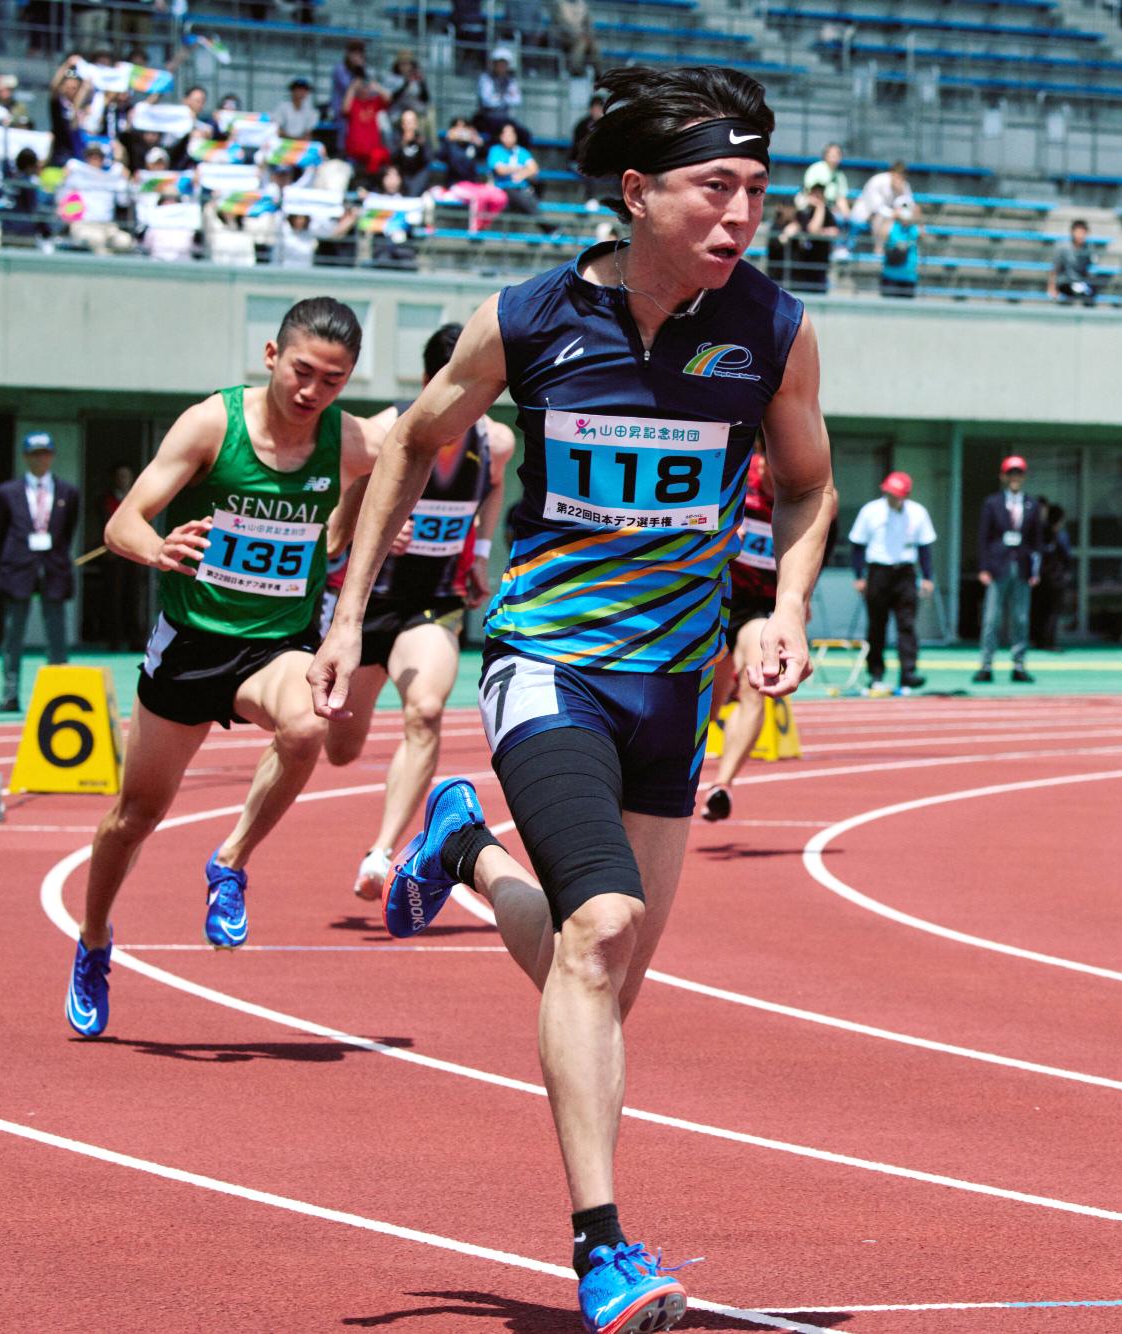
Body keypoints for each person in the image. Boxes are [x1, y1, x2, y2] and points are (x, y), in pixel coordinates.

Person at [306, 65, 837, 1334]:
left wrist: (784, 606)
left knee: (600, 976)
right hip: (547, 663)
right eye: (714, 187)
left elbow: (809, 485)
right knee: (598, 931)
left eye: (756, 190)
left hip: (674, 686)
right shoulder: (528, 316)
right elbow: (408, 442)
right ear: (636, 191)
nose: (740, 214)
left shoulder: (772, 328)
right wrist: (347, 612)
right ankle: (603, 1250)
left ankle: (466, 849)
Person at [63, 298, 376, 1039]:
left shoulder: (349, 439)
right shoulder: (212, 424)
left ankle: (230, 860)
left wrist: (352, 526)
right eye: (302, 371)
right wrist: (158, 548)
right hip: (191, 646)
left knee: (309, 724)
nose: (312, 391)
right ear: (271, 355)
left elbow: (408, 458)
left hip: (275, 646)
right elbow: (123, 521)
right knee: (134, 817)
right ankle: (95, 940)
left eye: (333, 381)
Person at [323, 323, 513, 900]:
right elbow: (332, 527)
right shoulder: (381, 432)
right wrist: (373, 521)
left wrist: (480, 552)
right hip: (368, 606)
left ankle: (382, 852)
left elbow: (493, 489)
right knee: (339, 750)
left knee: (426, 710)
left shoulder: (495, 441)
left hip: (434, 604)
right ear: (431, 380)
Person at [698, 447, 777, 821]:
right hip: (714, 600)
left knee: (755, 685)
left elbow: (817, 547)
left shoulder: (812, 490)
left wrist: (800, 600)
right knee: (707, 706)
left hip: (756, 609)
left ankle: (722, 785)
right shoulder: (737, 479)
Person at [0, 431, 79, 713]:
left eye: (44, 453)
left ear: (52, 456)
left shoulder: (68, 492)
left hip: (54, 568)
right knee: (12, 634)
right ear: (25, 457)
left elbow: (68, 531)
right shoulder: (7, 492)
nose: (40, 459)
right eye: (34, 454)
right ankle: (10, 694)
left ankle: (59, 694)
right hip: (18, 568)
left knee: (57, 634)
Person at [847, 469, 935, 691]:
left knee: (907, 624)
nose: (892, 498)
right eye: (889, 493)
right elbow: (857, 545)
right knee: (877, 625)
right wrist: (859, 576)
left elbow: (925, 547)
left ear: (905, 495)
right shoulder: (870, 511)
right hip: (878, 572)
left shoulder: (918, 513)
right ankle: (875, 673)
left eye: (896, 494)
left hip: (905, 573)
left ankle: (908, 672)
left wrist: (927, 577)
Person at [972, 455, 1041, 685]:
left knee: (1021, 618)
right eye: (1011, 473)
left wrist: (1035, 570)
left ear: (1024, 477)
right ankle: (986, 664)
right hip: (997, 566)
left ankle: (1019, 664)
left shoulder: (1032, 504)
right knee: (991, 618)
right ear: (1003, 476)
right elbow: (983, 537)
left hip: (1021, 567)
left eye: (1018, 473)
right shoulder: (992, 503)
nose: (1014, 477)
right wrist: (983, 567)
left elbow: (1036, 541)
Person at [97, 463, 146, 651]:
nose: (123, 480)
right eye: (120, 476)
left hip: (133, 554)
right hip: (113, 556)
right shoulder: (105, 499)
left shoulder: (138, 499)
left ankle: (135, 640)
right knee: (113, 598)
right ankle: (114, 640)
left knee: (133, 597)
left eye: (126, 476)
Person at [1031, 502, 1072, 651]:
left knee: (1040, 610)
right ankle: (1049, 641)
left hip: (1041, 578)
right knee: (1053, 611)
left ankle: (1038, 640)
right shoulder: (1060, 535)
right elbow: (1066, 556)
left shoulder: (1040, 533)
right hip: (1056, 579)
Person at [848, 159, 909, 255]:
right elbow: (876, 208)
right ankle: (878, 250)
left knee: (904, 220)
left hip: (889, 219)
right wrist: (895, 213)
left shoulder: (904, 185)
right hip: (865, 214)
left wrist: (902, 207)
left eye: (902, 176)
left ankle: (902, 252)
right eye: (897, 175)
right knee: (880, 218)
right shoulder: (877, 181)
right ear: (891, 173)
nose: (899, 179)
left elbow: (909, 206)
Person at [341, 71, 391, 182]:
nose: (364, 88)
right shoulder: (354, 102)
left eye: (366, 85)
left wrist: (377, 87)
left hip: (371, 153)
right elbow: (345, 109)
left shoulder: (374, 102)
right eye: (362, 86)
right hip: (354, 152)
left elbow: (388, 99)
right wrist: (352, 88)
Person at [474, 47, 529, 144]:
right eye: (499, 63)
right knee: (498, 133)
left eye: (504, 63)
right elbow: (487, 101)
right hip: (486, 117)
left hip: (504, 118)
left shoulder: (511, 81)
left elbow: (517, 100)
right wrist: (507, 97)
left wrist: (499, 97)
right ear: (494, 64)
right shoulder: (485, 78)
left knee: (524, 135)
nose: (502, 66)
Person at [487, 120, 541, 215]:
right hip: (503, 187)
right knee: (521, 198)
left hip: (522, 188)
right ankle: (545, 222)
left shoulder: (522, 152)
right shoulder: (495, 150)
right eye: (506, 134)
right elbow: (500, 170)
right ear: (500, 136)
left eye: (511, 134)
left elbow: (534, 169)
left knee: (530, 193)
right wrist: (522, 168)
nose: (509, 137)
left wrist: (521, 174)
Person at [1051, 219, 1097, 305]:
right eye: (1078, 232)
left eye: (1083, 232)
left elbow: (1090, 267)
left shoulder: (1089, 247)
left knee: (1090, 297)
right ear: (1072, 232)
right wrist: (1052, 288)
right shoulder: (1063, 247)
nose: (1080, 235)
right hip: (1065, 282)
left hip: (1080, 282)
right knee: (1070, 295)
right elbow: (1055, 268)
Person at [879, 201, 919, 298]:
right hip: (890, 276)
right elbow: (881, 234)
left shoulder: (914, 228)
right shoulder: (892, 226)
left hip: (909, 276)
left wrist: (916, 216)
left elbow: (924, 234)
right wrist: (893, 216)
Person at [271, 77, 319, 142]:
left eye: (304, 90)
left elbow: (308, 133)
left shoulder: (311, 111)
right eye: (298, 89)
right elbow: (277, 129)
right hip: (283, 142)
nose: (301, 92)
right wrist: (292, 139)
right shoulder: (282, 107)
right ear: (292, 91)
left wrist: (299, 141)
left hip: (301, 143)